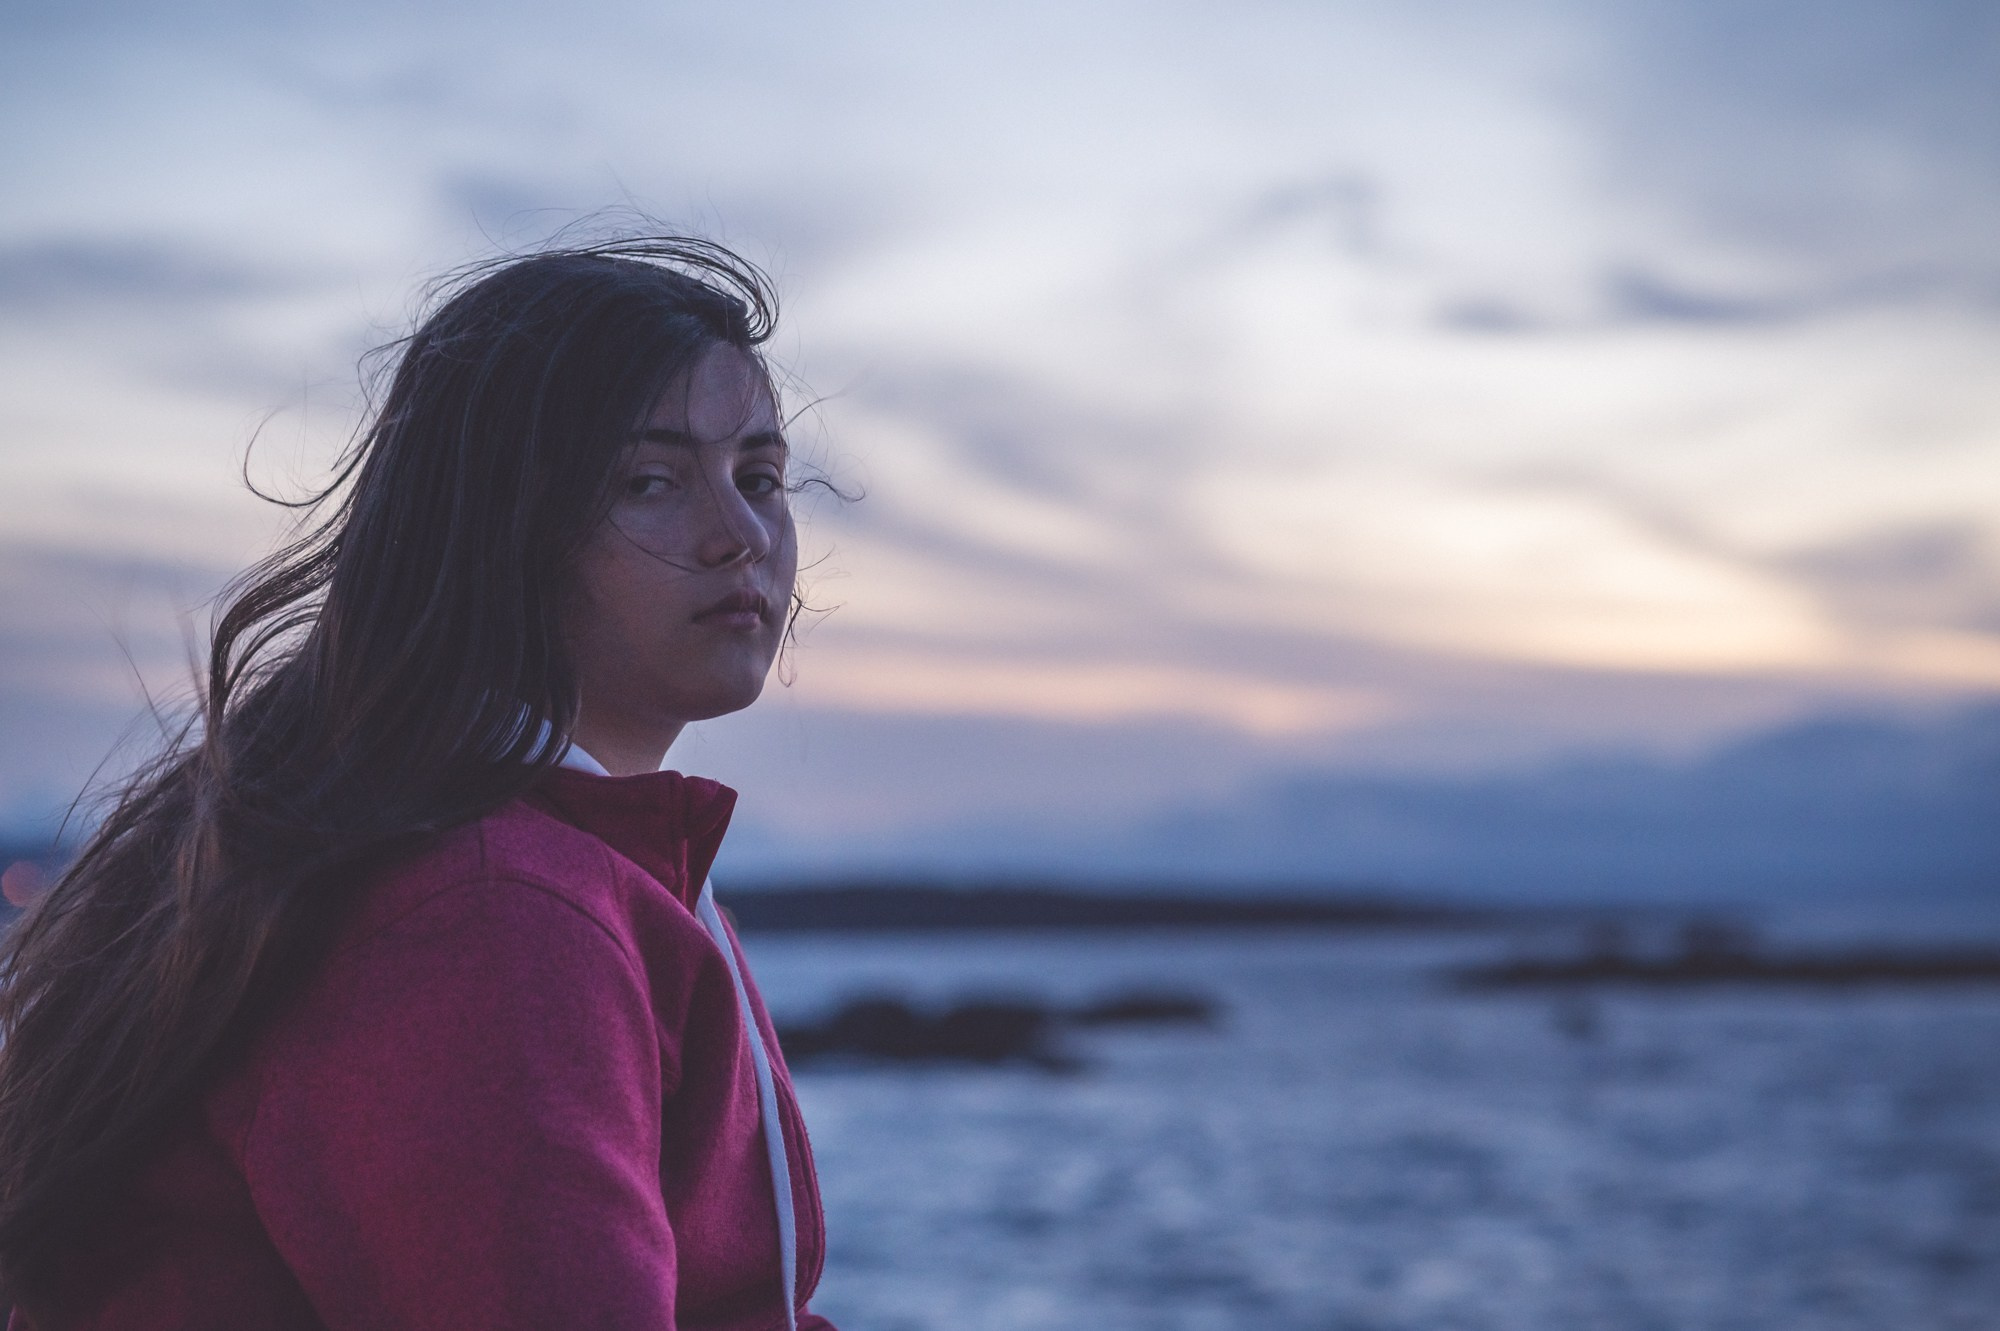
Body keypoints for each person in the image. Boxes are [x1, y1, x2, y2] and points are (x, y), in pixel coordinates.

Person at [0, 237, 838, 1330]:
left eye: (759, 478)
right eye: (650, 480)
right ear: (502, 528)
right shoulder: (490, 910)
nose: (740, 537)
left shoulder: (548, 862)